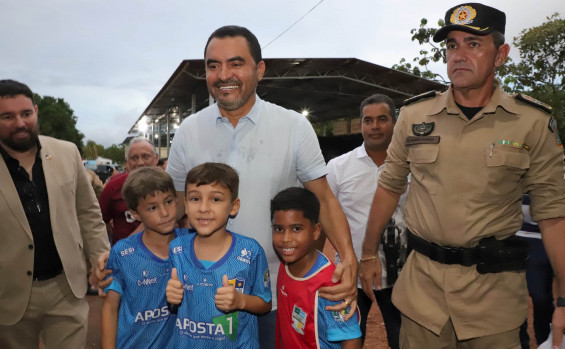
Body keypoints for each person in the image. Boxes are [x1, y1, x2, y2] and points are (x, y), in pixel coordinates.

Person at [360, 3, 565, 348]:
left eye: (473, 44)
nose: (458, 55)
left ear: (500, 55)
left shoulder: (532, 122)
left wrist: (562, 300)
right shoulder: (415, 114)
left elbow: (553, 216)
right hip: (422, 295)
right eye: (452, 45)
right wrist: (368, 253)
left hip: (493, 299)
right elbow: (389, 187)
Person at [165, 25, 357, 347]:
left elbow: (322, 197)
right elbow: (173, 206)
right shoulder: (188, 130)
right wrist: (119, 253)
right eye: (213, 66)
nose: (223, 74)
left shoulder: (294, 126)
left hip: (275, 296)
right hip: (202, 296)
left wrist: (348, 258)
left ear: (260, 69)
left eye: (235, 63)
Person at [0, 79, 111, 348]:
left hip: (66, 287)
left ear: (36, 111)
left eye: (26, 114)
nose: (20, 123)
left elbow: (88, 213)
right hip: (8, 293)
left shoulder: (67, 152)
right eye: (7, 116)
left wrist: (99, 256)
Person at [327, 94, 406, 349]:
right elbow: (325, 217)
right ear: (360, 124)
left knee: (403, 342)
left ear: (394, 123)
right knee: (347, 343)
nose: (374, 126)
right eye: (368, 120)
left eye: (382, 119)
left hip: (402, 275)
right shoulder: (338, 167)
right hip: (350, 275)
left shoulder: (412, 166)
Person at [166, 162, 272, 348]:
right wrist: (171, 297)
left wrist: (241, 300)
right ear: (186, 206)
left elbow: (265, 304)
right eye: (195, 199)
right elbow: (172, 303)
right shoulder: (177, 249)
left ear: (233, 206)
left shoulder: (250, 251)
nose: (203, 208)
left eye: (216, 199)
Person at [101, 167, 187, 349]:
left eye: (169, 201)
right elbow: (110, 308)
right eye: (153, 207)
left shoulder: (191, 245)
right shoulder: (122, 252)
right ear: (135, 214)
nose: (164, 213)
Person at [271, 187, 362, 349]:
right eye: (279, 229)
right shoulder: (285, 264)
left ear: (316, 231)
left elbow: (351, 340)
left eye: (296, 229)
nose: (286, 239)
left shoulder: (330, 286)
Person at [98, 137, 158, 244]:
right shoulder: (113, 187)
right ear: (127, 163)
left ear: (156, 159)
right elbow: (97, 221)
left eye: (146, 156)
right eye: (134, 158)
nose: (140, 163)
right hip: (125, 257)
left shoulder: (169, 185)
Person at [516, 194, 554, 348]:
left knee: (542, 298)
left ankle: (545, 339)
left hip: (548, 237)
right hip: (514, 235)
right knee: (514, 295)